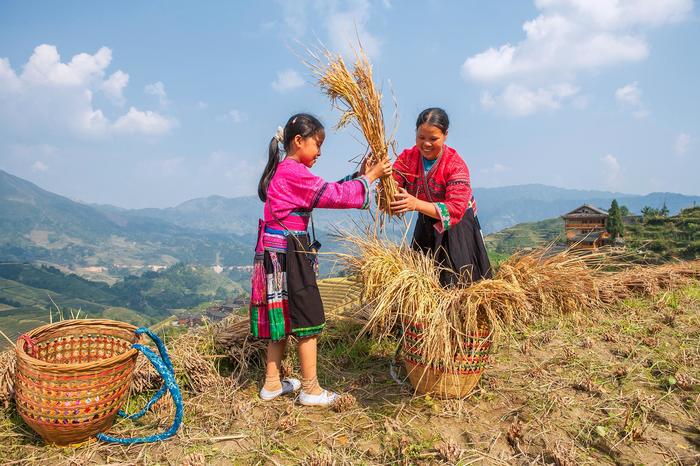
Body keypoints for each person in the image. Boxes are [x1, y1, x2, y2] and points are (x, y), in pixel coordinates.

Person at [250, 113, 392, 406]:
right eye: (317, 144)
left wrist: (360, 177)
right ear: (298, 141)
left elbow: (323, 193)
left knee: (283, 320)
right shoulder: (293, 172)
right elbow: (332, 195)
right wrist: (371, 178)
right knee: (307, 319)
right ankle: (311, 389)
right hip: (290, 254)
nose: (320, 152)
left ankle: (272, 384)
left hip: (276, 253)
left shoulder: (285, 171)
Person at [390, 108, 492, 286]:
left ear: (445, 135)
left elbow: (455, 209)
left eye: (433, 139)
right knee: (424, 281)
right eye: (421, 137)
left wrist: (415, 203)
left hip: (458, 228)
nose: (426, 144)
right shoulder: (408, 158)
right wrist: (386, 189)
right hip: (426, 222)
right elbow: (393, 184)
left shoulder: (455, 165)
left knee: (459, 281)